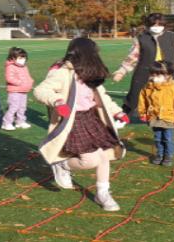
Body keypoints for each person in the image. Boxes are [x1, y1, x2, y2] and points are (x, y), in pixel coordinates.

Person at [34, 38, 128, 212]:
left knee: (104, 156)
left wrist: (117, 111)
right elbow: (41, 90)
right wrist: (57, 101)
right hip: (73, 120)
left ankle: (103, 193)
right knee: (90, 160)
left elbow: (102, 96)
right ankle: (62, 164)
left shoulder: (90, 73)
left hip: (92, 118)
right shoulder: (63, 72)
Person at [113, 13, 174, 131]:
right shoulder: (141, 37)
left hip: (170, 71)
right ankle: (123, 119)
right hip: (146, 71)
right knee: (134, 95)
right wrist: (122, 71)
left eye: (160, 24)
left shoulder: (172, 36)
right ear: (148, 25)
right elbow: (133, 56)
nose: (157, 27)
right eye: (154, 25)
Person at [138, 61, 174, 166]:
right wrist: (143, 113)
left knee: (168, 138)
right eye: (152, 74)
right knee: (157, 138)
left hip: (168, 117)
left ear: (168, 75)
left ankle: (168, 156)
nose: (154, 77)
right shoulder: (147, 87)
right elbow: (143, 101)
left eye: (158, 74)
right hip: (154, 117)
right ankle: (159, 155)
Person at [1, 47, 34, 131]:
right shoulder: (10, 67)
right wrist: (20, 82)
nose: (22, 59)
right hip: (14, 91)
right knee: (14, 107)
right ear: (13, 58)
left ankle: (20, 121)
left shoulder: (24, 67)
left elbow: (27, 76)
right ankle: (6, 123)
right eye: (20, 58)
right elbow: (9, 78)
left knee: (22, 107)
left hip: (23, 91)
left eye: (24, 57)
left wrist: (30, 82)